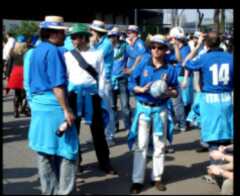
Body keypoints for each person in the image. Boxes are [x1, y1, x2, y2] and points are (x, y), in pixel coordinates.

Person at [27, 16, 79, 195]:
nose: (65, 34)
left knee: (44, 151)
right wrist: (67, 110)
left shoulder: (35, 50)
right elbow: (57, 86)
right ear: (54, 33)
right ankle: (65, 192)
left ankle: (48, 191)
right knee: (68, 152)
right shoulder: (54, 51)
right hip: (54, 106)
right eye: (63, 31)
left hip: (39, 106)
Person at [64, 23, 117, 175]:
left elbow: (101, 75)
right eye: (71, 37)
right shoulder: (68, 55)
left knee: (98, 131)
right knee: (74, 131)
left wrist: (101, 95)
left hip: (93, 96)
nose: (73, 40)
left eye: (75, 37)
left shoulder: (98, 54)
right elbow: (66, 77)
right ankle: (76, 162)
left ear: (84, 38)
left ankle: (105, 162)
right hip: (74, 96)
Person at [128, 34, 178, 194]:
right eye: (153, 47)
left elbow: (176, 91)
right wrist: (141, 89)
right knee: (141, 145)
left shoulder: (170, 69)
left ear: (166, 50)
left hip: (160, 110)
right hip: (143, 109)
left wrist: (167, 91)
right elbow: (131, 83)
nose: (156, 50)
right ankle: (137, 181)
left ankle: (157, 177)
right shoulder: (143, 63)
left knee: (159, 146)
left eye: (160, 47)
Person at [184, 31, 233, 184]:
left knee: (213, 138)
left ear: (206, 43)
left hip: (210, 100)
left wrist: (197, 46)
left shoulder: (204, 58)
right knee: (226, 137)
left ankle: (215, 173)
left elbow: (185, 63)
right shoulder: (231, 57)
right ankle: (226, 169)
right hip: (227, 99)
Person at [89, 20, 116, 146]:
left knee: (106, 109)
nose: (90, 33)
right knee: (96, 110)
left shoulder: (106, 44)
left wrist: (90, 44)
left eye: (92, 31)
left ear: (96, 32)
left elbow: (94, 57)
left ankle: (109, 136)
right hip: (96, 80)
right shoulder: (98, 43)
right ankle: (98, 135)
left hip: (104, 81)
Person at [108, 27, 131, 132]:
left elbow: (136, 56)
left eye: (113, 36)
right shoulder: (105, 48)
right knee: (112, 106)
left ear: (117, 36)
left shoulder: (124, 46)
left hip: (122, 79)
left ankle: (128, 126)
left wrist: (130, 69)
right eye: (109, 36)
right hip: (109, 81)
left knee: (125, 106)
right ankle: (115, 126)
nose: (111, 39)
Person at [5, 35, 28, 118]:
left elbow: (9, 64)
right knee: (25, 93)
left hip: (15, 72)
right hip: (24, 73)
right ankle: (23, 108)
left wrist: (7, 75)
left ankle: (16, 111)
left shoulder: (12, 51)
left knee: (17, 93)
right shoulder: (27, 51)